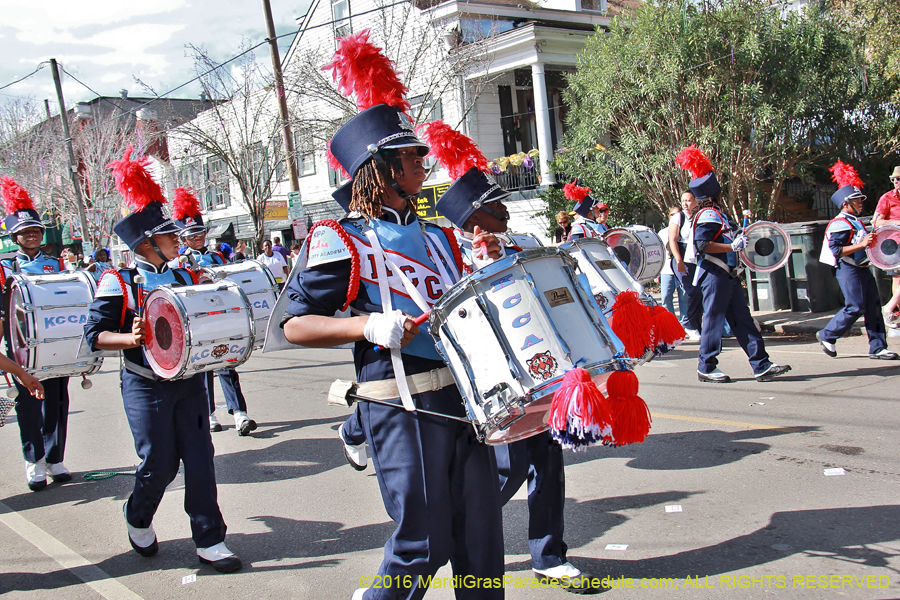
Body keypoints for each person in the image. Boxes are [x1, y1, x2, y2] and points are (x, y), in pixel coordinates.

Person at [283, 31, 505, 600]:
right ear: (378, 169)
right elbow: (296, 324)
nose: (421, 164)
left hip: (461, 394)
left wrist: (487, 269)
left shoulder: (437, 238)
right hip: (398, 400)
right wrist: (368, 326)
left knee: (480, 539)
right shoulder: (341, 240)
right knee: (422, 543)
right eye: (410, 157)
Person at [431, 140, 600, 593]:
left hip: (544, 368)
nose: (504, 213)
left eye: (502, 204)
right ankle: (451, 531)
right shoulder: (454, 257)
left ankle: (549, 554)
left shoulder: (523, 242)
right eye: (494, 208)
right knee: (506, 467)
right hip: (498, 379)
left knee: (548, 460)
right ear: (470, 221)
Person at [83, 147, 241, 572]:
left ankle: (210, 538)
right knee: (159, 462)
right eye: (169, 236)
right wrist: (126, 337)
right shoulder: (117, 280)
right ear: (146, 243)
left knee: (201, 456)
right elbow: (93, 336)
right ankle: (138, 514)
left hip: (189, 381)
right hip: (143, 381)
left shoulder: (187, 275)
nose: (178, 240)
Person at [676, 145, 791, 383]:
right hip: (715, 274)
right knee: (713, 320)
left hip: (727, 274)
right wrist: (732, 247)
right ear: (713, 194)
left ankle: (761, 364)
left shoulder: (717, 213)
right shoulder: (708, 214)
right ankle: (705, 366)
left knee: (743, 320)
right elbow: (702, 244)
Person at [0, 176, 73, 492]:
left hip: (54, 340)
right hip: (20, 345)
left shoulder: (55, 263)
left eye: (35, 231)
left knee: (57, 400)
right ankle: (34, 460)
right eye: (24, 232)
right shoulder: (4, 267)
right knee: (29, 404)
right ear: (15, 237)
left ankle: (55, 457)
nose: (31, 236)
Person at [172, 188, 257, 436]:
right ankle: (208, 413)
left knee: (227, 361)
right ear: (183, 238)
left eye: (199, 232)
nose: (197, 237)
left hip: (222, 316)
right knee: (202, 367)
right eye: (191, 234)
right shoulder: (178, 262)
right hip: (196, 321)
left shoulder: (218, 257)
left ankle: (239, 413)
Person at [816, 161, 899, 360]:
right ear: (846, 203)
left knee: (873, 306)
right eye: (857, 200)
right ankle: (827, 334)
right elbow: (835, 250)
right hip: (847, 268)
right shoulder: (839, 223)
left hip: (862, 268)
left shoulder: (855, 221)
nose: (861, 203)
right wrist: (861, 245)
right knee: (855, 305)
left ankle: (878, 347)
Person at [669, 192, 702, 340]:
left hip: (697, 258)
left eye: (688, 201)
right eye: (683, 201)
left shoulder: (700, 215)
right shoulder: (678, 217)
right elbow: (673, 240)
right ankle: (688, 324)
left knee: (701, 292)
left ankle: (696, 324)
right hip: (683, 259)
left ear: (696, 202)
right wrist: (678, 260)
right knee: (692, 291)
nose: (685, 204)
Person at [872, 166, 900, 295]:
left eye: (898, 179)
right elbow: (876, 222)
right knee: (898, 278)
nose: (896, 182)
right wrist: (896, 223)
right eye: (893, 179)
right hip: (895, 243)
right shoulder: (887, 198)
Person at [659, 206, 686, 319]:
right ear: (668, 216)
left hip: (682, 269)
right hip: (666, 270)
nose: (675, 217)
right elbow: (659, 253)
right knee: (665, 297)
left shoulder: (685, 231)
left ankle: (685, 324)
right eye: (672, 215)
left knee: (684, 298)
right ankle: (671, 323)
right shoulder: (662, 233)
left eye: (678, 214)